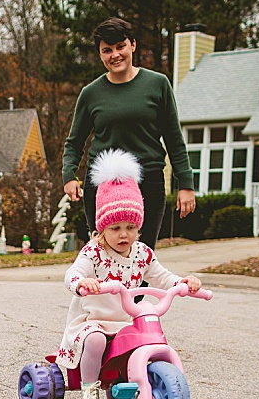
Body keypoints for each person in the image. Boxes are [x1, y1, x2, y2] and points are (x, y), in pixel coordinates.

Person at [58, 149, 202, 399]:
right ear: (102, 229)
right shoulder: (94, 252)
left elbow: (162, 276)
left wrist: (183, 282)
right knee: (97, 340)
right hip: (93, 320)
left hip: (126, 321)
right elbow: (72, 273)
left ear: (139, 226)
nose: (124, 234)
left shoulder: (142, 253)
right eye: (115, 228)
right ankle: (90, 394)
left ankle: (173, 393)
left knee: (151, 339)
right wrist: (81, 282)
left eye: (130, 227)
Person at [61, 16, 196, 248]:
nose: (115, 55)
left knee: (142, 256)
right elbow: (75, 142)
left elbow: (174, 138)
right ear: (100, 54)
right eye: (107, 50)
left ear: (132, 45)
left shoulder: (157, 84)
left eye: (120, 46)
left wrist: (185, 183)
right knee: (105, 256)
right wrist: (69, 175)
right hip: (104, 183)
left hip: (148, 180)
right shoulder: (91, 93)